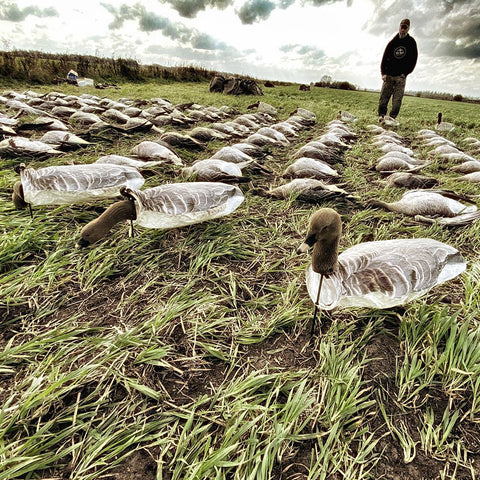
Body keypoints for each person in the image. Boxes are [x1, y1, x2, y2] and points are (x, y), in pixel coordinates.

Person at [378, 18, 418, 121]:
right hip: (389, 76)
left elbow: (413, 60)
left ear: (408, 29)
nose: (403, 29)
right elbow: (384, 58)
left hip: (400, 77)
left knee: (397, 100)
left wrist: (405, 73)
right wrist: (383, 73)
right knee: (383, 97)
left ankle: (392, 118)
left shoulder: (411, 42)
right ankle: (381, 116)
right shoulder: (392, 42)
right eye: (402, 27)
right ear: (399, 27)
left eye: (405, 27)